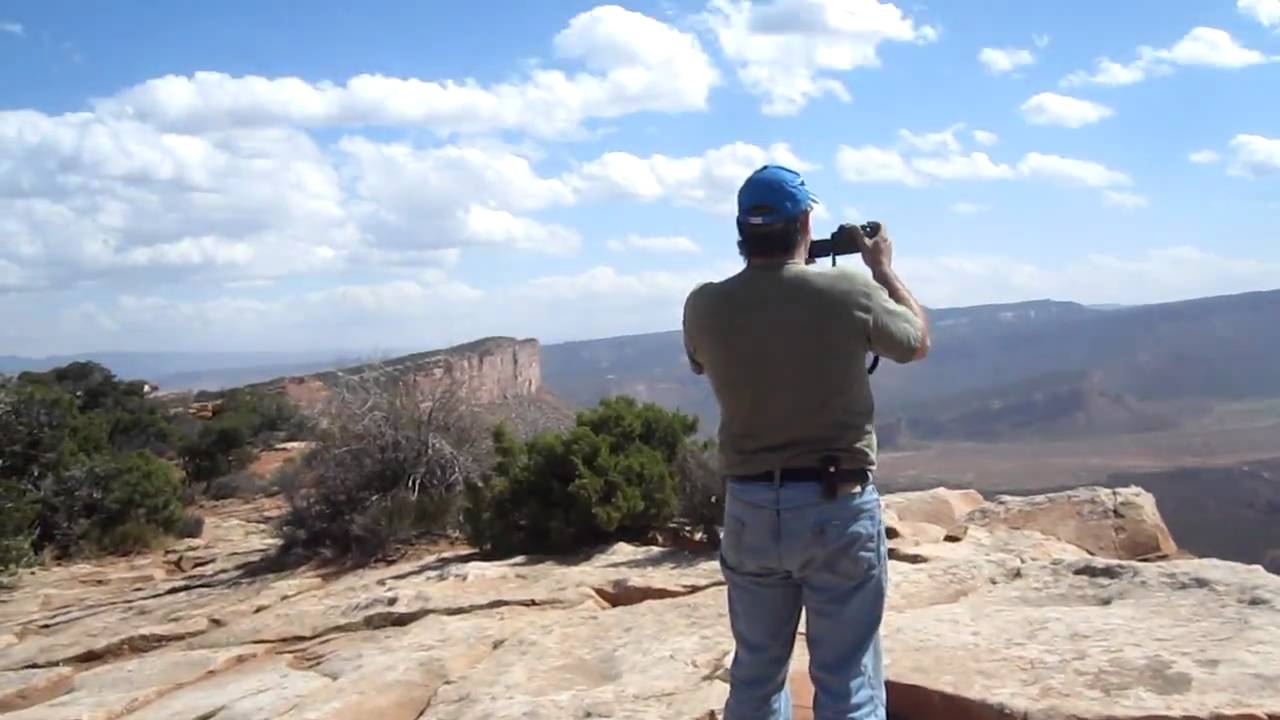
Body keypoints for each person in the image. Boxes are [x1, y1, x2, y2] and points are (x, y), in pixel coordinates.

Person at [681, 164, 930, 720]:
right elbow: (915, 343)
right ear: (805, 223)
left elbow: (699, 362)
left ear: (743, 230)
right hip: (835, 505)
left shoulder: (704, 304)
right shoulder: (849, 289)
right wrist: (884, 269)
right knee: (847, 678)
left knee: (756, 674)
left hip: (749, 507)